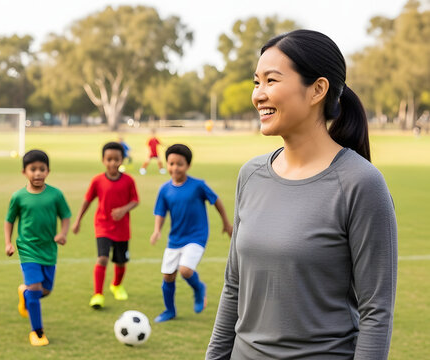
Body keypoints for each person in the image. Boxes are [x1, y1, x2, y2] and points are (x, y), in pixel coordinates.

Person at [207, 30, 397, 359]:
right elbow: (233, 287)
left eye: (271, 80)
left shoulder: (360, 183)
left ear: (317, 90)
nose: (258, 95)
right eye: (256, 82)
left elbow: (376, 313)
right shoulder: (250, 175)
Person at [150, 144, 232, 323]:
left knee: (185, 270)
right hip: (175, 238)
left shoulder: (198, 186)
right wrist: (157, 231)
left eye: (179, 164)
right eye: (171, 163)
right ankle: (169, 311)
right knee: (168, 276)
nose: (175, 167)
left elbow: (216, 201)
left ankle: (199, 289)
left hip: (197, 235)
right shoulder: (165, 190)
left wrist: (226, 223)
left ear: (187, 165)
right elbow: (160, 212)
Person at [4, 149, 71, 346]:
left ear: (48, 171)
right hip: (27, 249)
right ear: (24, 172)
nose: (38, 173)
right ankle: (37, 332)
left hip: (49, 249)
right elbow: (9, 221)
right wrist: (8, 242)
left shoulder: (55, 195)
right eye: (33, 169)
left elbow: (65, 216)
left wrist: (63, 234)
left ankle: (24, 293)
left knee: (46, 290)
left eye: (42, 169)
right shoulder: (18, 197)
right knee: (35, 289)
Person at [72, 142, 139, 309]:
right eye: (109, 159)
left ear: (122, 160)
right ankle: (98, 294)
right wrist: (78, 220)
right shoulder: (98, 180)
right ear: (103, 160)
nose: (113, 163)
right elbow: (87, 200)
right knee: (102, 258)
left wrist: (124, 210)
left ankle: (116, 285)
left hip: (122, 229)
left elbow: (135, 200)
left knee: (121, 262)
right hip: (102, 226)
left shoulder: (129, 180)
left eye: (116, 159)